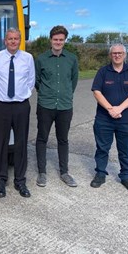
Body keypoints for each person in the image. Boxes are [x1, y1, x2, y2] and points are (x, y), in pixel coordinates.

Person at [0, 28, 35, 198]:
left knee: (21, 143)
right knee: (0, 143)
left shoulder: (28, 58)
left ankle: (20, 181)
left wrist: (21, 96)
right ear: (5, 41)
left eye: (16, 39)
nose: (13, 41)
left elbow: (31, 81)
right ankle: (0, 181)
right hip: (1, 106)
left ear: (20, 41)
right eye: (10, 39)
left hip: (21, 106)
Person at [90, 44, 128, 192]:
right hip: (104, 119)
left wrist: (119, 108)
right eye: (114, 53)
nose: (117, 55)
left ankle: (126, 176)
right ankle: (100, 174)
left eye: (120, 53)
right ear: (110, 55)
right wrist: (110, 109)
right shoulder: (103, 72)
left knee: (125, 150)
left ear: (125, 55)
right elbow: (97, 92)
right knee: (102, 148)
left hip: (127, 120)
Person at [34, 25, 79, 188]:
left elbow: (73, 81)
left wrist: (65, 94)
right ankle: (42, 172)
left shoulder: (72, 59)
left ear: (65, 41)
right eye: (55, 39)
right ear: (50, 40)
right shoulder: (41, 59)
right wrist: (47, 93)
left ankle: (64, 172)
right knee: (42, 138)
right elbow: (37, 81)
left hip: (65, 106)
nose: (58, 42)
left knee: (63, 139)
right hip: (45, 105)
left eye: (61, 40)